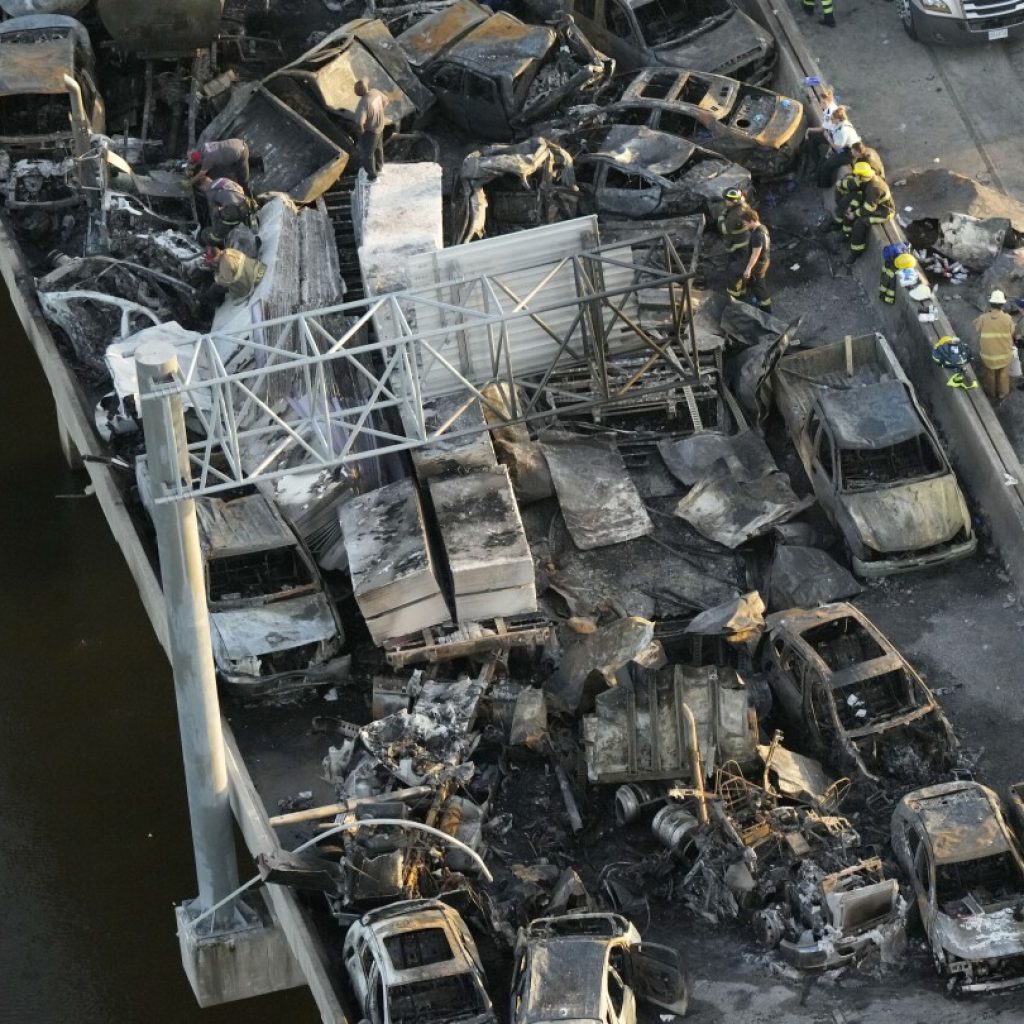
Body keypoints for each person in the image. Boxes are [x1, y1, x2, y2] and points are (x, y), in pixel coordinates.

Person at [839, 162, 894, 263]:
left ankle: (856, 252)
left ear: (863, 176)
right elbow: (861, 195)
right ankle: (846, 234)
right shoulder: (867, 179)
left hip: (883, 212)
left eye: (858, 177)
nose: (856, 179)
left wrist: (854, 214)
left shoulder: (875, 188)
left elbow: (869, 209)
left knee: (860, 223)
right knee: (848, 211)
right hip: (872, 205)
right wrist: (852, 207)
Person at [973, 290, 1015, 400]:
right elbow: (1012, 332)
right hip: (1004, 355)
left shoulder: (983, 318)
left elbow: (977, 328)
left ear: (990, 303)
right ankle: (1002, 393)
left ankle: (991, 393)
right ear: (1002, 304)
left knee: (990, 374)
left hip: (988, 355)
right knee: (1003, 374)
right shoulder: (1008, 318)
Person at [727, 209, 771, 311]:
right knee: (757, 283)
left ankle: (736, 298)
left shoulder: (757, 236)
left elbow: (755, 254)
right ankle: (763, 305)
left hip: (758, 263)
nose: (745, 226)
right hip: (764, 261)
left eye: (746, 223)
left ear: (752, 221)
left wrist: (748, 269)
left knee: (734, 270)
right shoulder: (763, 228)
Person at [201, 176, 256, 245]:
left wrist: (215, 227)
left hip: (233, 211)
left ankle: (218, 236)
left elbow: (213, 210)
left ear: (203, 186)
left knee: (215, 214)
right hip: (246, 203)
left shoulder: (209, 190)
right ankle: (245, 220)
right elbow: (240, 188)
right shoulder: (223, 180)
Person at [817, 106, 860, 188]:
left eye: (832, 118)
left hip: (849, 153)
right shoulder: (842, 123)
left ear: (838, 119)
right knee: (825, 160)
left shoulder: (843, 131)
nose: (831, 120)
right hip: (845, 148)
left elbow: (838, 148)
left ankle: (825, 185)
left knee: (827, 165)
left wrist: (828, 138)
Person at [353, 79, 386, 180]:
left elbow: (360, 122)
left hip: (371, 131)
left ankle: (372, 175)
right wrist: (379, 112)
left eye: (356, 90)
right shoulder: (375, 92)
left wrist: (361, 133)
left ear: (359, 91)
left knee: (368, 154)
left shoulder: (363, 104)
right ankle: (379, 168)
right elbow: (386, 100)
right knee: (378, 148)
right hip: (380, 126)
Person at [717, 187, 753, 279]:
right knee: (741, 261)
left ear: (734, 201)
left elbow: (724, 229)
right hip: (744, 239)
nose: (725, 201)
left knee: (738, 266)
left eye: (727, 200)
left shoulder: (735, 214)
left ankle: (739, 279)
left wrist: (720, 219)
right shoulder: (742, 204)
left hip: (738, 243)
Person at [187, 138, 251, 189]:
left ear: (199, 160)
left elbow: (201, 174)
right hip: (237, 142)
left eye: (196, 163)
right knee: (240, 162)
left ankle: (249, 193)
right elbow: (192, 153)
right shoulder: (203, 147)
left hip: (241, 151)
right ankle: (257, 161)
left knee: (243, 178)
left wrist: (190, 182)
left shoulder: (208, 159)